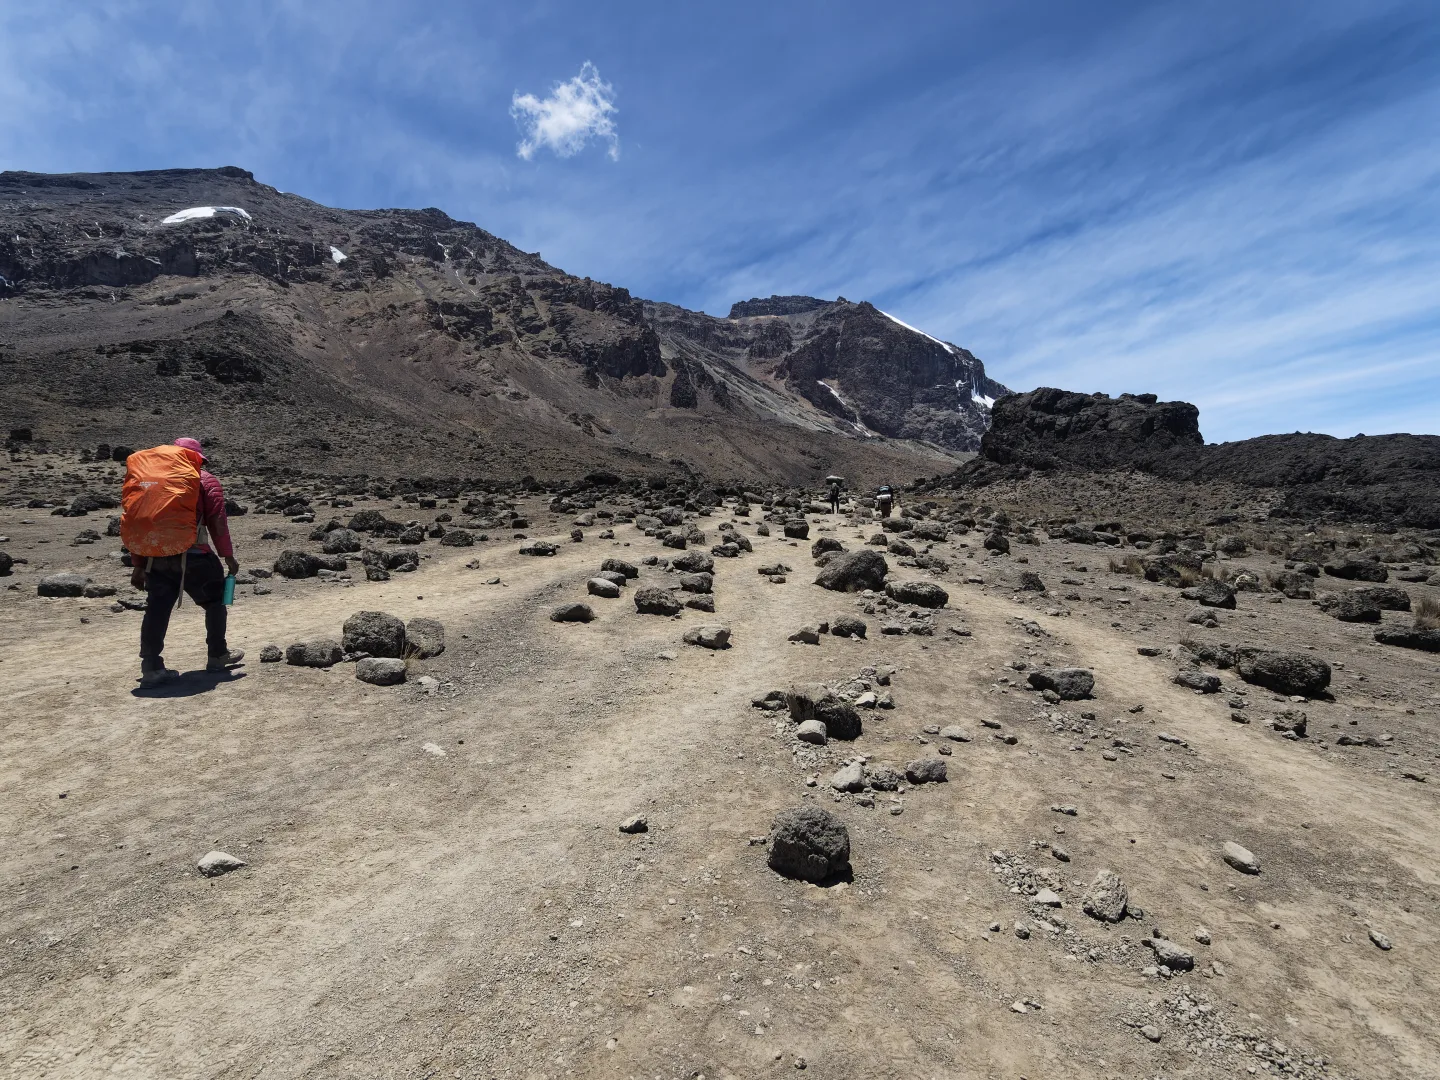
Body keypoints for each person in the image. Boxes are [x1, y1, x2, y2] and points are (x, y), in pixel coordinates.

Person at [130, 438, 243, 686]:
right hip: (195, 556)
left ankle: (151, 667)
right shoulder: (205, 479)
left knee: (156, 610)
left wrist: (138, 563)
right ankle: (217, 656)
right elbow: (217, 521)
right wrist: (228, 556)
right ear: (198, 458)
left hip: (155, 558)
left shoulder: (151, 481)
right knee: (214, 602)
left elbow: (137, 522)